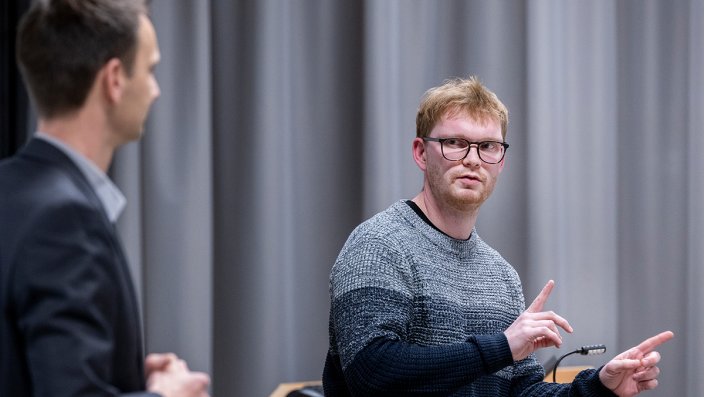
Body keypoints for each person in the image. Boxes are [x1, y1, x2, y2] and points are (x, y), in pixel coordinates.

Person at [323, 76, 673, 396]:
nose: (473, 159)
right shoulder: (379, 245)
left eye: (488, 146)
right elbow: (371, 373)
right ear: (420, 152)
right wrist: (502, 346)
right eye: (455, 142)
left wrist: (597, 388)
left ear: (500, 162)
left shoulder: (500, 276)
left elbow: (521, 391)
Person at [0, 1, 210, 396]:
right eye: (149, 70)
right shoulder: (65, 220)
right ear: (114, 79)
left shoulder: (9, 190)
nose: (155, 90)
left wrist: (124, 376)